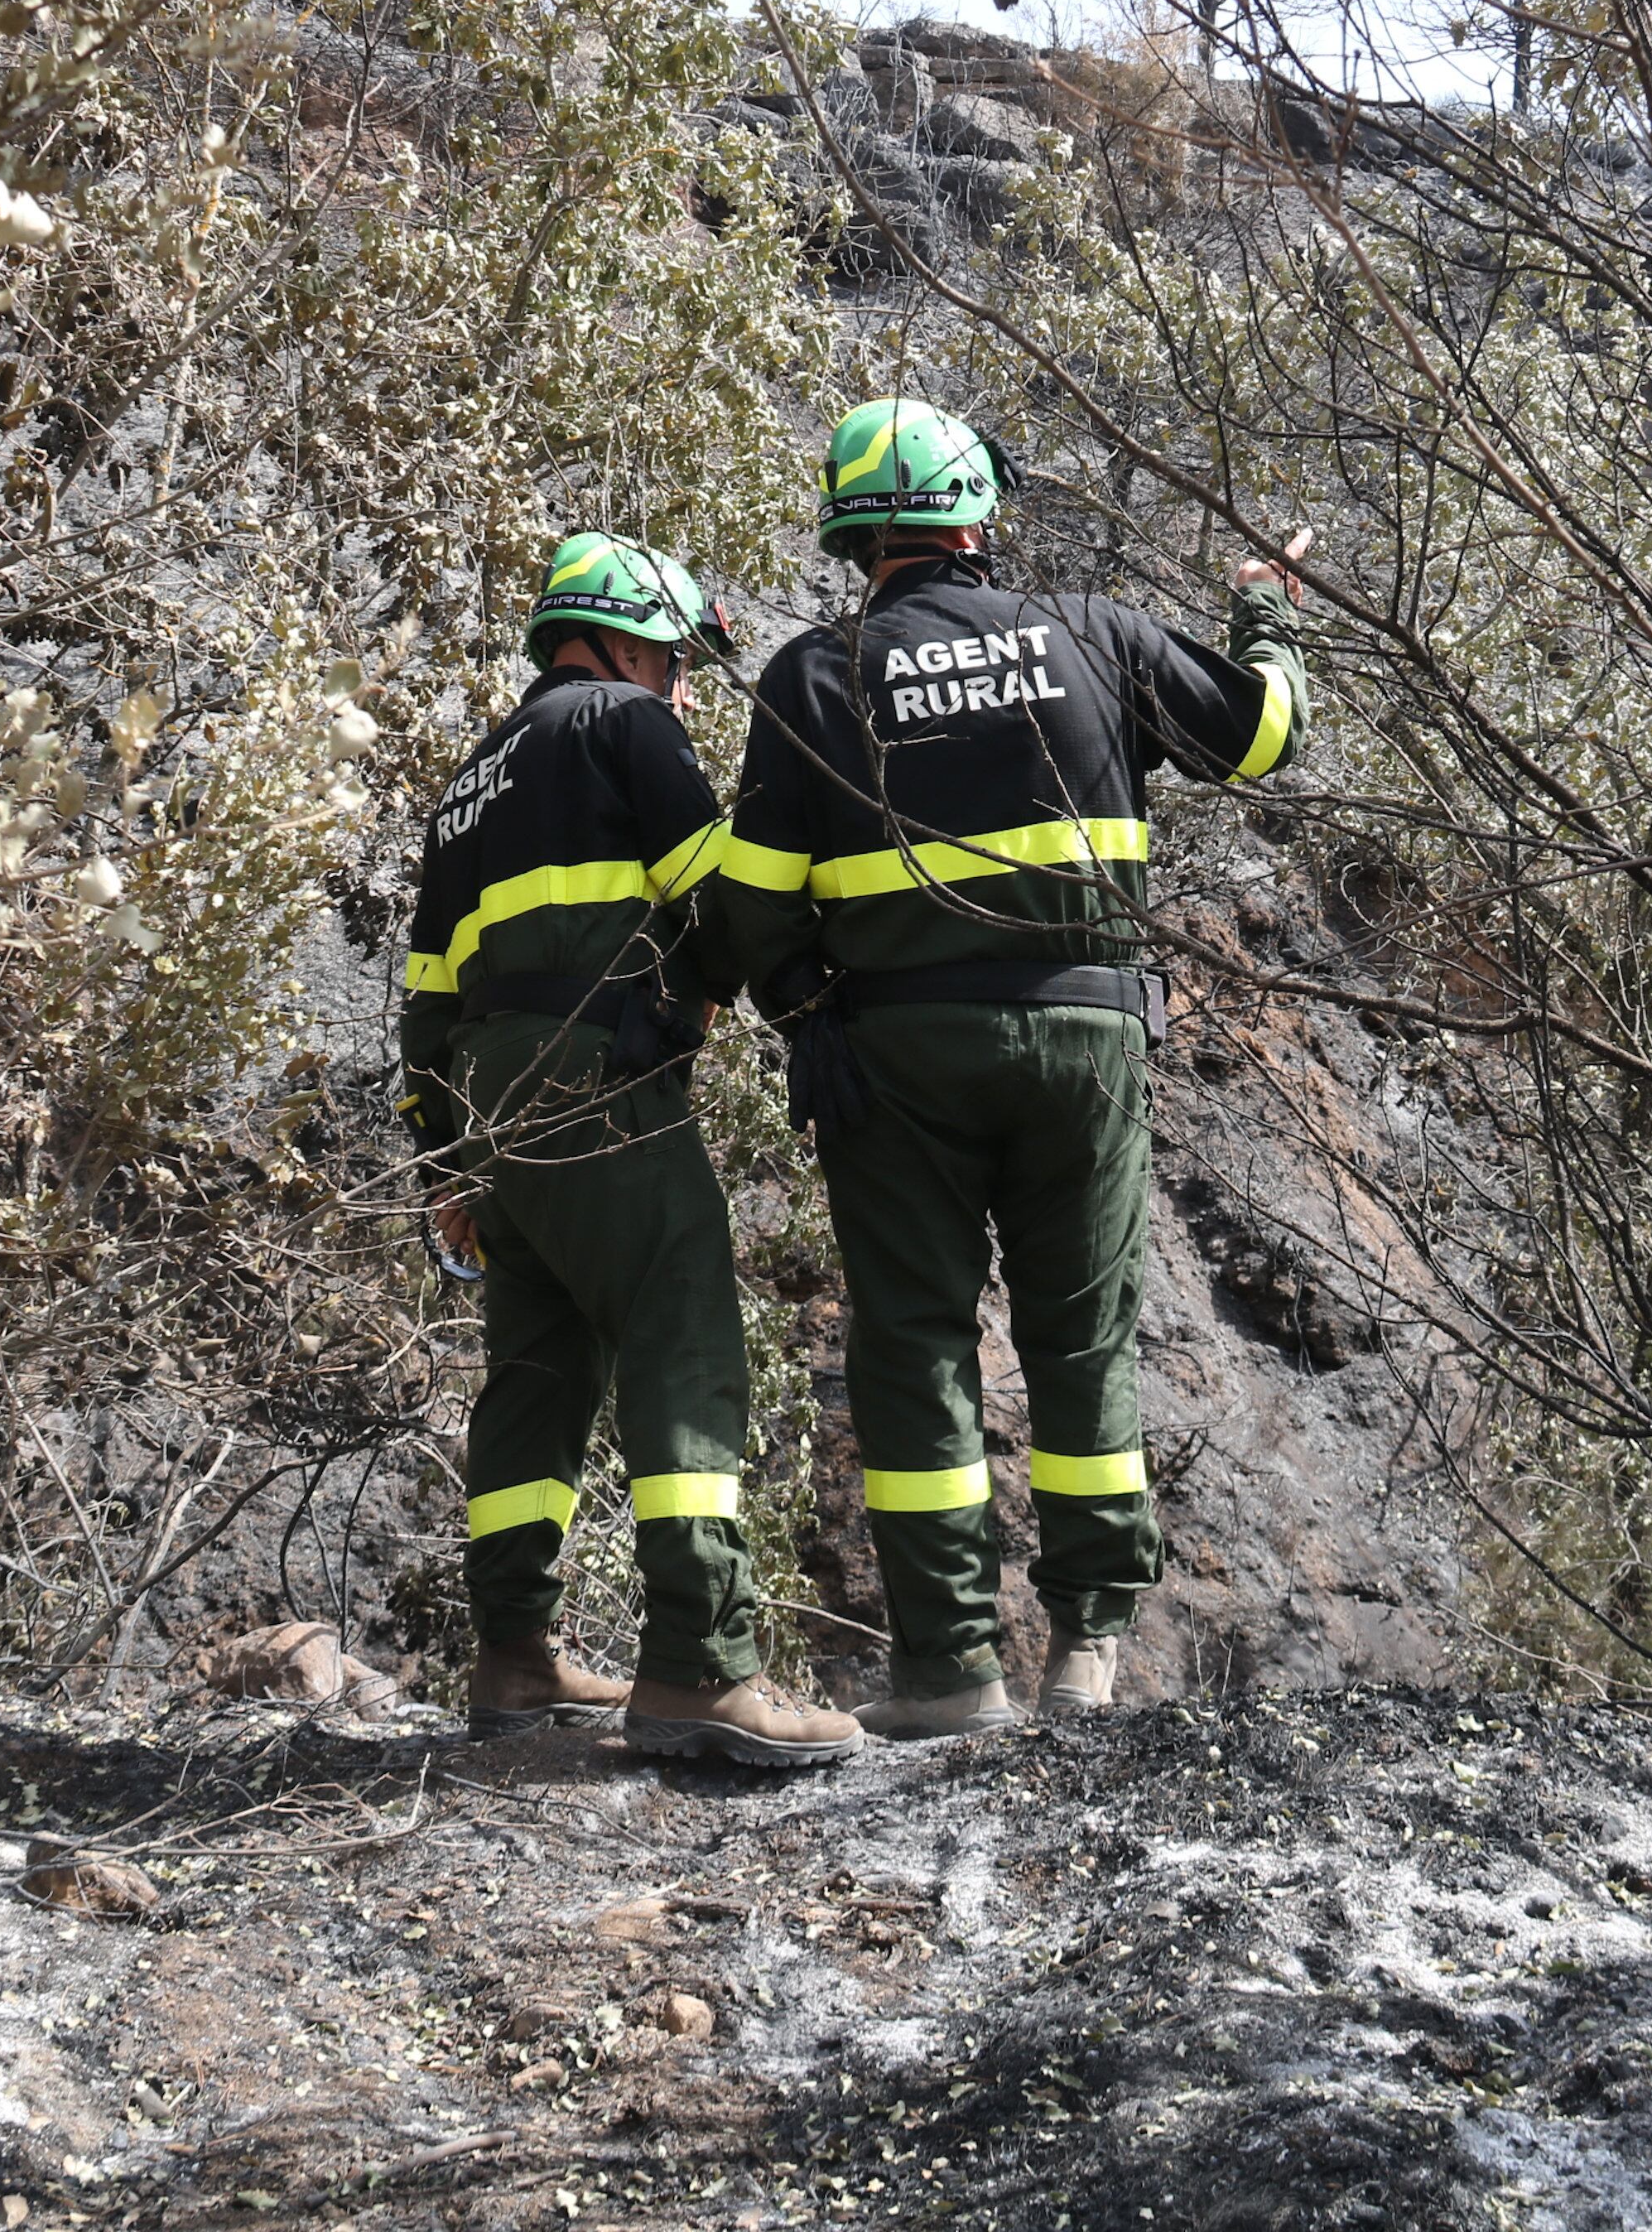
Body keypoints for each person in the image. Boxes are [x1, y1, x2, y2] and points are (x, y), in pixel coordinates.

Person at [706, 399, 1313, 1736]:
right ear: (978, 512)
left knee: (915, 1347)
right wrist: (1263, 608)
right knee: (1081, 1337)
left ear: (854, 530)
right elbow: (1265, 736)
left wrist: (804, 999)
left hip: (894, 1057)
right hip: (1085, 1044)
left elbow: (749, 902)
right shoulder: (1097, 633)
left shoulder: (817, 675)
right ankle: (1087, 1650)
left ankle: (949, 1674)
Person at [397, 531, 866, 1768]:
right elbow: (727, 893)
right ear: (612, 641)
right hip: (597, 1075)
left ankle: (510, 1657)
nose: (683, 685)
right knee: (683, 1336)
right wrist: (720, 992)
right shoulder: (626, 724)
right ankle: (701, 1670)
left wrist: (450, 1167)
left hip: (493, 1101)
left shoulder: (470, 782)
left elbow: (427, 1000)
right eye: (672, 657)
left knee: (538, 1368)